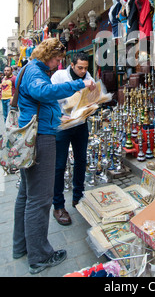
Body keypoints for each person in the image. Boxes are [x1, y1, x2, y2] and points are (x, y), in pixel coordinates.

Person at [12, 38, 96, 275]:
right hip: (40, 137)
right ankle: (40, 256)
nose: (58, 64)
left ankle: (21, 246)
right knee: (39, 199)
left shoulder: (29, 70)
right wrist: (77, 85)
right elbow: (44, 92)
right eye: (58, 59)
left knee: (26, 195)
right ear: (48, 55)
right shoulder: (34, 71)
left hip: (34, 133)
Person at [51, 52, 95, 226]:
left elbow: (91, 97)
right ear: (72, 64)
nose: (83, 71)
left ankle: (78, 197)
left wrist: (92, 103)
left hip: (80, 124)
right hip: (62, 125)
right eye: (80, 68)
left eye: (86, 68)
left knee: (81, 160)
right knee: (59, 165)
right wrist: (58, 115)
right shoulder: (59, 76)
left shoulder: (88, 76)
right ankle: (58, 206)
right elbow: (51, 98)